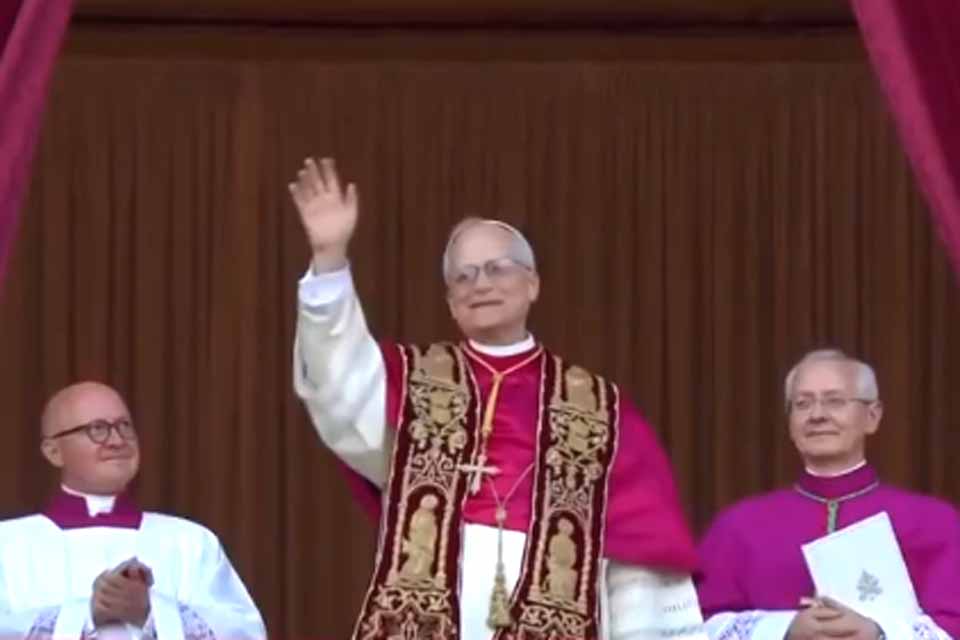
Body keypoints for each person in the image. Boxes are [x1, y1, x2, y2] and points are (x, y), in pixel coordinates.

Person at [289, 157, 707, 640]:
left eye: (496, 268)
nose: (480, 284)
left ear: (532, 284)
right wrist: (329, 258)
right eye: (463, 276)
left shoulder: (599, 407)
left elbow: (640, 554)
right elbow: (337, 382)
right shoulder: (412, 381)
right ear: (449, 300)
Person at [696, 349, 960, 640]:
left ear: (872, 416)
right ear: (790, 423)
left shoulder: (934, 523)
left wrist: (879, 632)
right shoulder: (738, 526)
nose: (817, 415)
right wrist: (785, 629)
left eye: (834, 401)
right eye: (802, 404)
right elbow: (697, 626)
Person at [0, 382, 266, 640]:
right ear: (53, 451)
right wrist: (85, 614)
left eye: (124, 426)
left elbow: (246, 633)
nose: (117, 440)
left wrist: (151, 611)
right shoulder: (8, 544)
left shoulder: (190, 542)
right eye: (98, 429)